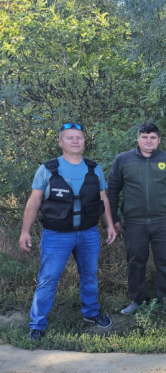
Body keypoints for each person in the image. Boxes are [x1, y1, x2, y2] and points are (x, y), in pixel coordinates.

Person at [18, 123, 117, 341]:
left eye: (79, 138)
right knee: (48, 278)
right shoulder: (47, 169)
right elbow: (34, 201)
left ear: (84, 142)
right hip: (56, 235)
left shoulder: (94, 169)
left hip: (88, 233)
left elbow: (103, 199)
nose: (75, 141)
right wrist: (25, 231)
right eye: (70, 138)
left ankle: (91, 313)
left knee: (89, 276)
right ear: (60, 142)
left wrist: (110, 225)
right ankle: (37, 324)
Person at [107, 123, 166, 315]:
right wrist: (114, 218)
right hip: (134, 223)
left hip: (164, 221)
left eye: (153, 137)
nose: (148, 141)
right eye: (144, 137)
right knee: (135, 262)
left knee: (165, 262)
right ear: (138, 139)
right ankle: (137, 300)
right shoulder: (123, 159)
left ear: (159, 140)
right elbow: (112, 190)